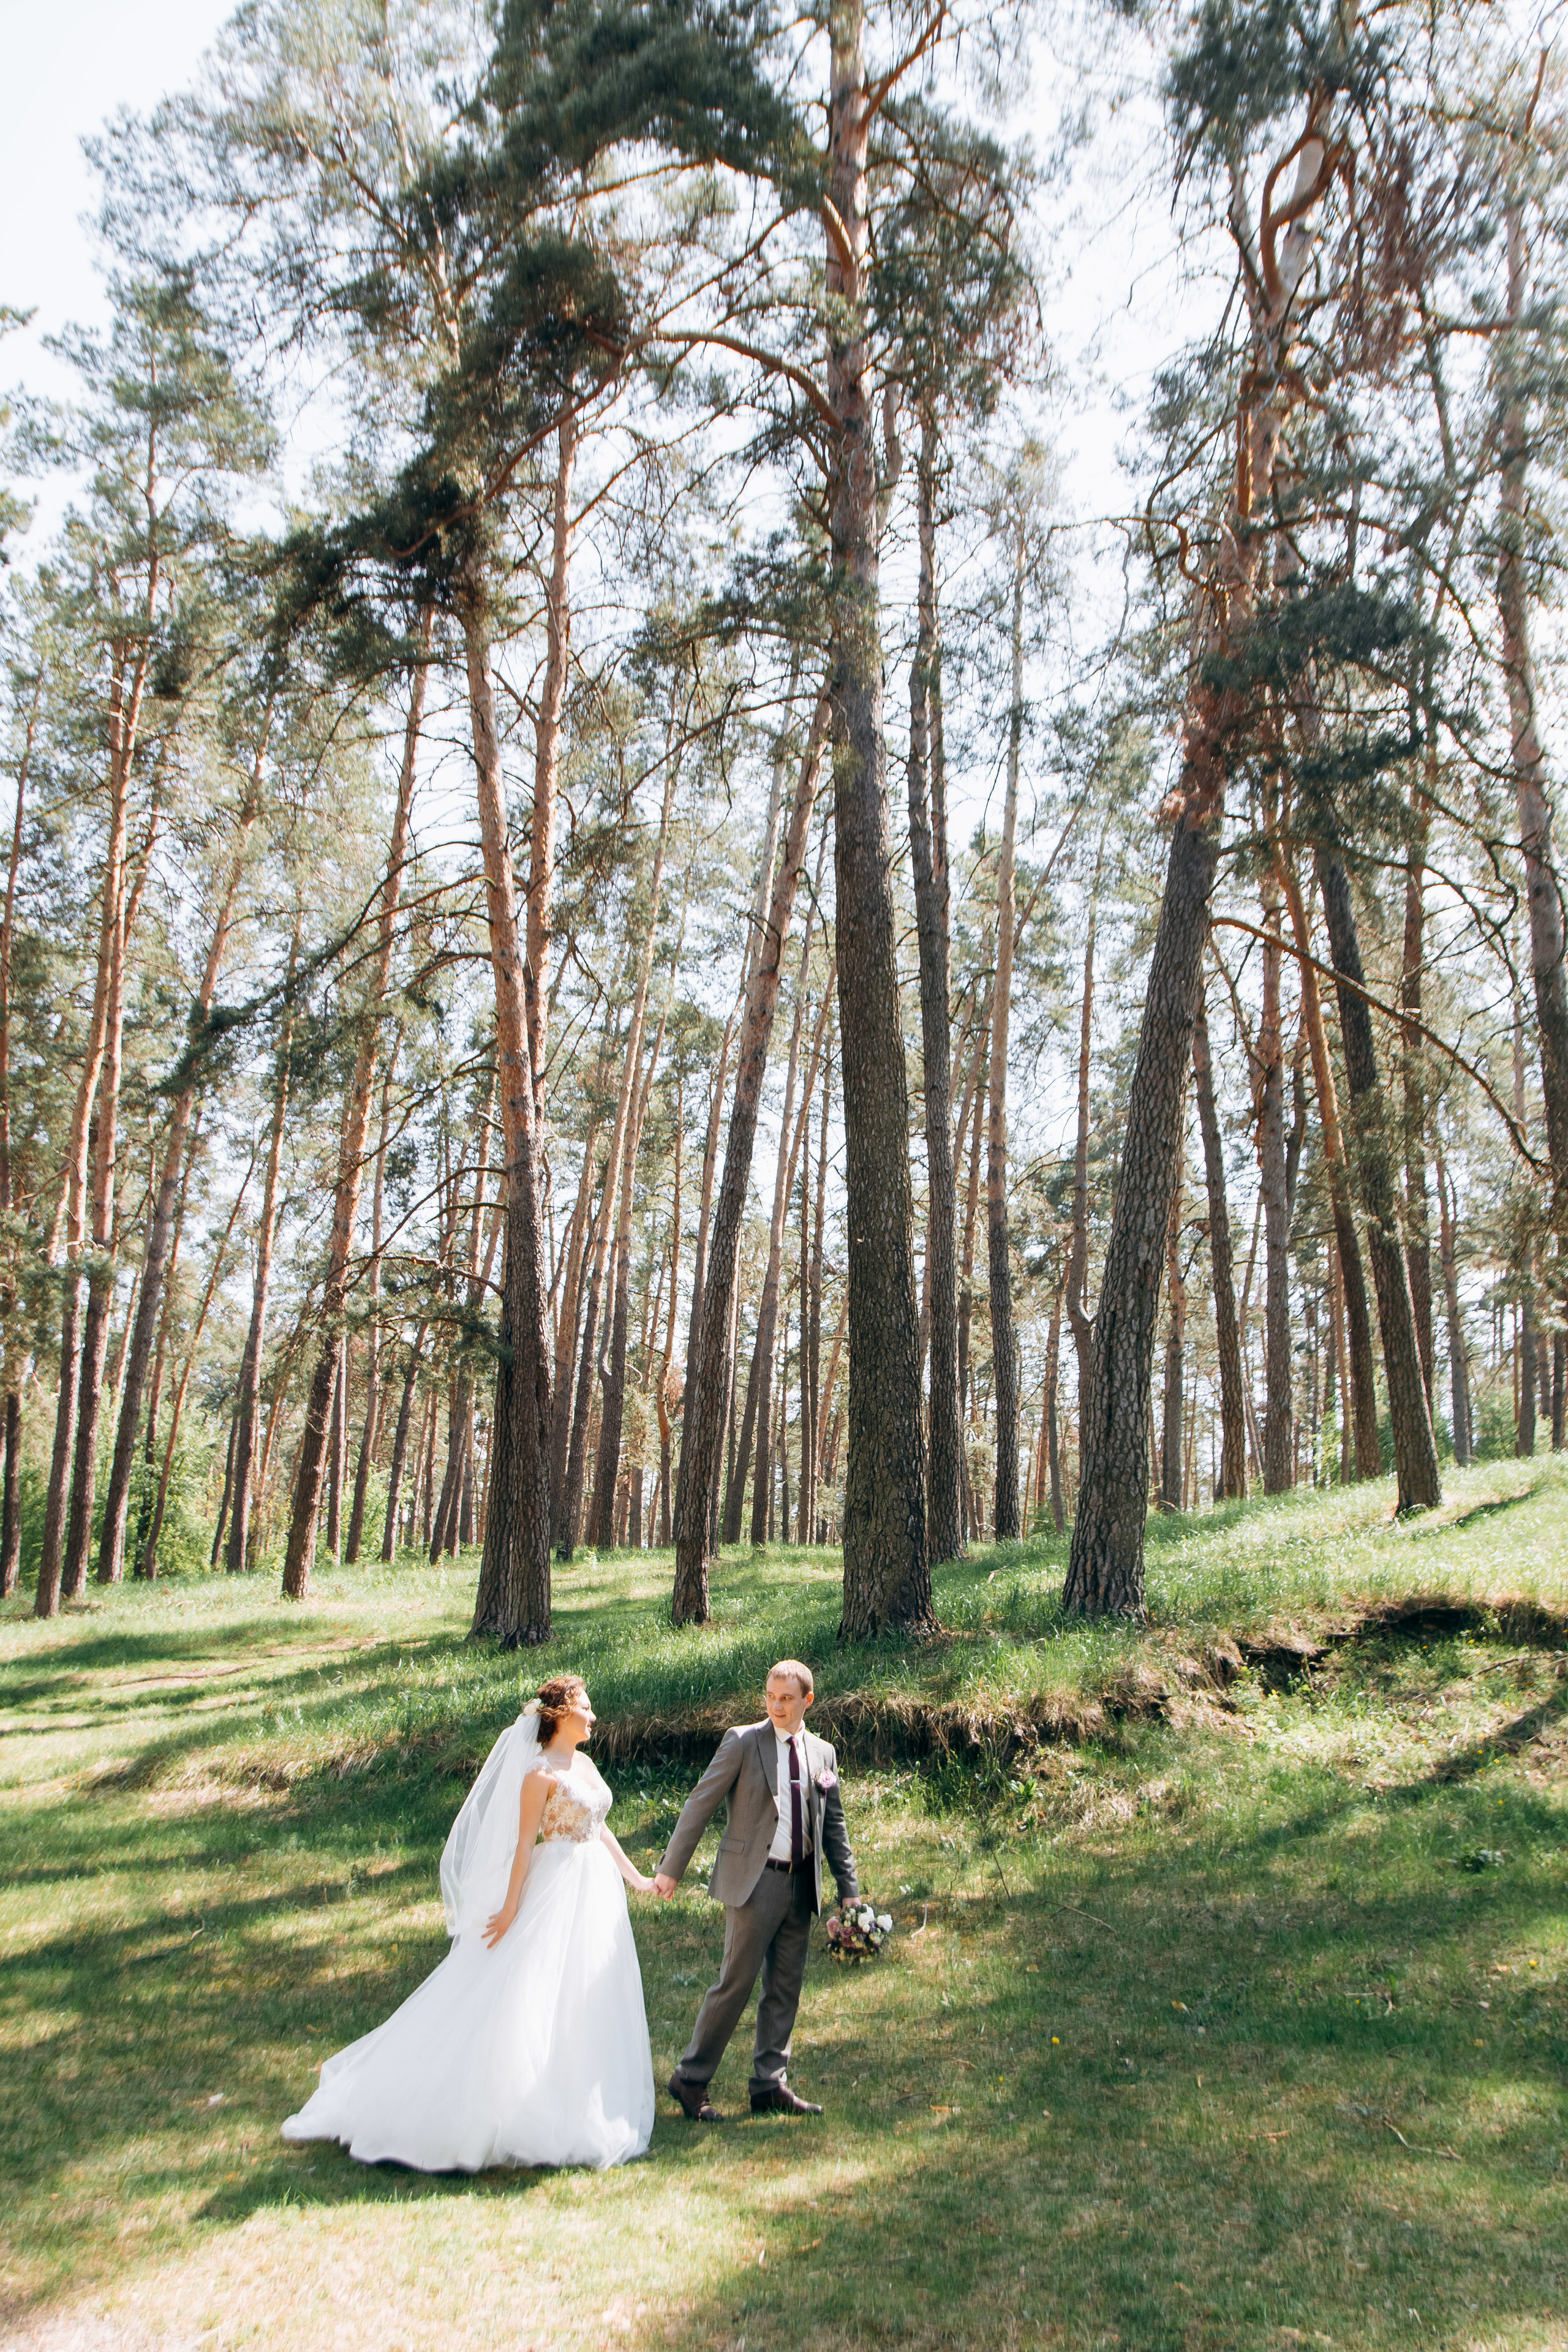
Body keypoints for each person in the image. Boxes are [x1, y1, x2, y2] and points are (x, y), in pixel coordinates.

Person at [281, 1675, 657, 2171]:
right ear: (561, 1715)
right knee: (533, 1988)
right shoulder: (538, 1775)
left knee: (584, 1990)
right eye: (586, 1709)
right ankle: (509, 2107)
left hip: (595, 1888)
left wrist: (636, 1879)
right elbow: (524, 1845)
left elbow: (600, 1827)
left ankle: (576, 2096)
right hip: (556, 1885)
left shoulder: (584, 1763)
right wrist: (508, 1908)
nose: (594, 1717)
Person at [654, 1658, 856, 2121]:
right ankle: (690, 2078)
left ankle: (769, 2083)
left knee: (785, 1988)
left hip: (801, 1883)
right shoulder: (743, 1742)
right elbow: (700, 1802)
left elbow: (835, 1826)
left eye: (786, 1698)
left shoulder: (823, 1753)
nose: (777, 1705)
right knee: (735, 1984)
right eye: (771, 1696)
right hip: (754, 1883)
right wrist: (672, 1868)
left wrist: (850, 1889)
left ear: (808, 1700)